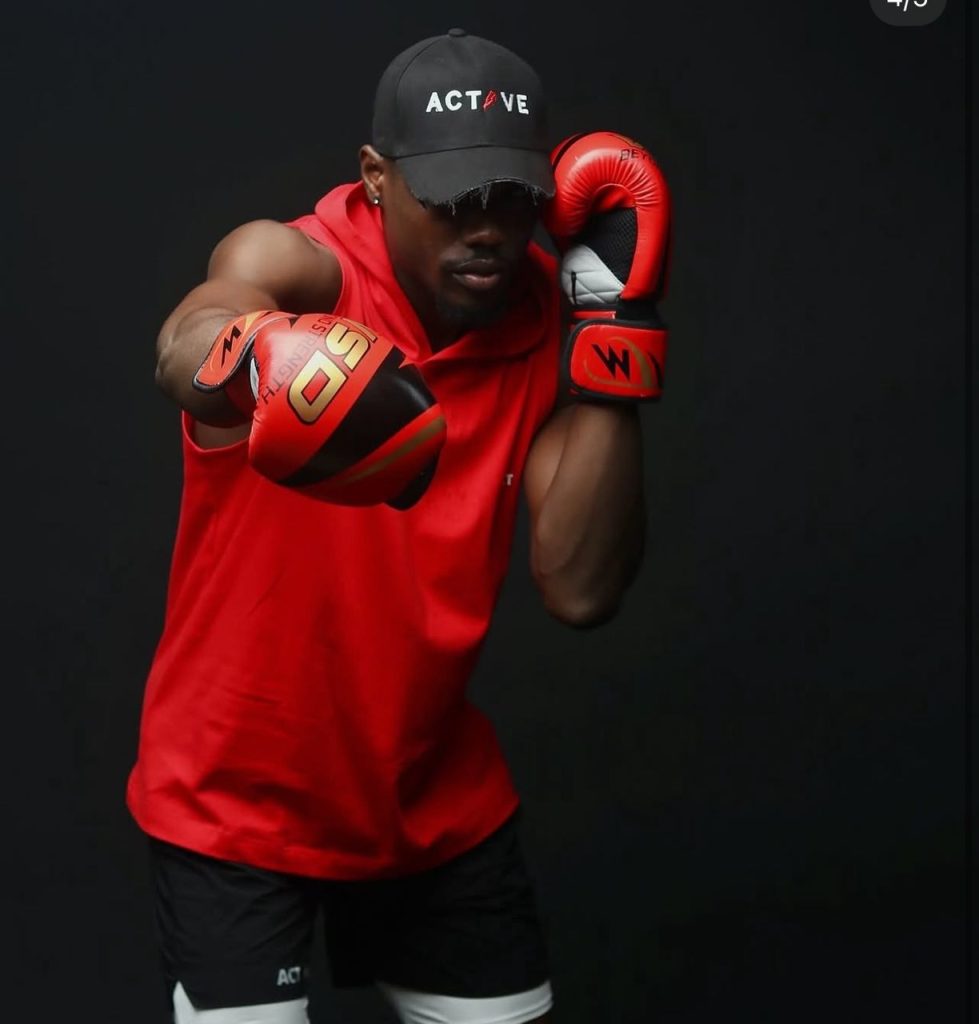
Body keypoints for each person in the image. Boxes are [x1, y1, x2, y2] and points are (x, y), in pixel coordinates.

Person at [127, 26, 671, 1024]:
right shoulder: (301, 265)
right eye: (453, 199)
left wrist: (613, 331)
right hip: (234, 798)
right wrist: (257, 356)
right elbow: (188, 336)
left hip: (429, 800)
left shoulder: (543, 313)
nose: (487, 231)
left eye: (510, 198)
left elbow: (581, 587)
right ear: (376, 177)